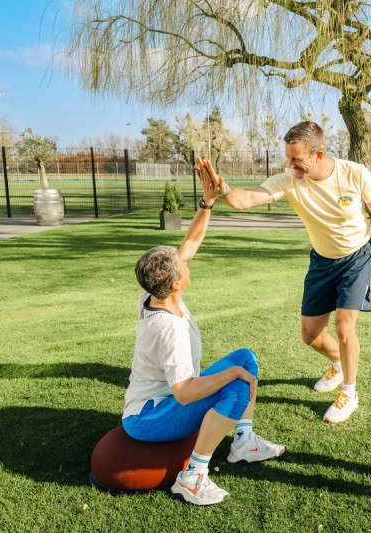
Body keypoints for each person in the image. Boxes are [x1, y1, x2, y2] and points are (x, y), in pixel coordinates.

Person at [199, 121, 371, 423]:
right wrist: (223, 190)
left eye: (296, 159)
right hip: (322, 260)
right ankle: (338, 363)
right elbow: (249, 198)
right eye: (288, 158)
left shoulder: (354, 173)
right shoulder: (290, 179)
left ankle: (349, 392)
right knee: (310, 335)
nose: (290, 164)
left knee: (345, 326)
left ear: (318, 154)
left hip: (357, 254)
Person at [122, 158, 285, 506]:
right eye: (182, 264)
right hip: (148, 417)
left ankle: (242, 442)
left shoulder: (157, 293)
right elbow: (183, 392)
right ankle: (193, 476)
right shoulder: (169, 329)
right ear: (177, 282)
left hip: (158, 405)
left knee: (246, 357)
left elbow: (191, 241)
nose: (187, 259)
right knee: (238, 386)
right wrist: (233, 375)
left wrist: (207, 202)